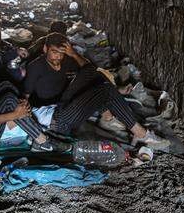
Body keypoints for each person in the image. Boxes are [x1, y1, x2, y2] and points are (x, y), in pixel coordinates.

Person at [23, 33, 169, 148]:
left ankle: (108, 117)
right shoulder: (36, 66)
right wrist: (33, 130)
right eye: (54, 52)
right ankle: (140, 133)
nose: (58, 57)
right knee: (104, 90)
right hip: (58, 120)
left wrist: (73, 54)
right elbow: (24, 98)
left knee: (92, 73)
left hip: (63, 105)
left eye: (61, 53)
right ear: (45, 49)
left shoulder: (65, 60)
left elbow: (91, 70)